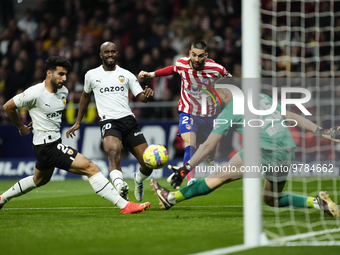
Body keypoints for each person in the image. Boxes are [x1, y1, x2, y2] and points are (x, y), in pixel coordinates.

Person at [151, 78, 340, 218]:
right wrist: (322, 131)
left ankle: (172, 197)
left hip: (264, 151)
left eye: (216, 96)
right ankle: (317, 202)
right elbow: (291, 116)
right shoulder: (262, 98)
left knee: (216, 179)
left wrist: (185, 168)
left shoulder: (231, 109)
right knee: (271, 199)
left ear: (225, 92)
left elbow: (208, 145)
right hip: (287, 151)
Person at [0, 56, 150, 214]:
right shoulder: (35, 92)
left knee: (39, 180)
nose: (64, 78)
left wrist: (38, 122)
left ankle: (2, 199)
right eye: (60, 74)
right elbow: (8, 106)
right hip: (47, 146)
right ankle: (124, 205)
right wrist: (21, 127)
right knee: (90, 168)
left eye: (65, 74)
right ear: (49, 73)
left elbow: (46, 114)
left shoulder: (63, 92)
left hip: (47, 144)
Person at [66, 42, 154, 202]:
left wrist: (146, 96)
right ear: (101, 55)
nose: (110, 54)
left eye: (113, 51)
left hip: (129, 121)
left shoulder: (126, 74)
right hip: (109, 121)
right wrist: (78, 121)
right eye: (107, 52)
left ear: (117, 53)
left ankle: (138, 179)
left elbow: (140, 96)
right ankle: (120, 186)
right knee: (113, 154)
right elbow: (85, 97)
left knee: (148, 164)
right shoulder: (91, 75)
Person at [138, 40, 232, 185]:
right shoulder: (182, 63)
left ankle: (208, 158)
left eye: (200, 56)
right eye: (193, 55)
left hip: (209, 115)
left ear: (206, 55)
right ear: (190, 53)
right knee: (190, 142)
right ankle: (191, 179)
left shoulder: (216, 69)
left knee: (209, 151)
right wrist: (150, 75)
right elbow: (171, 69)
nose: (196, 59)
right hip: (187, 111)